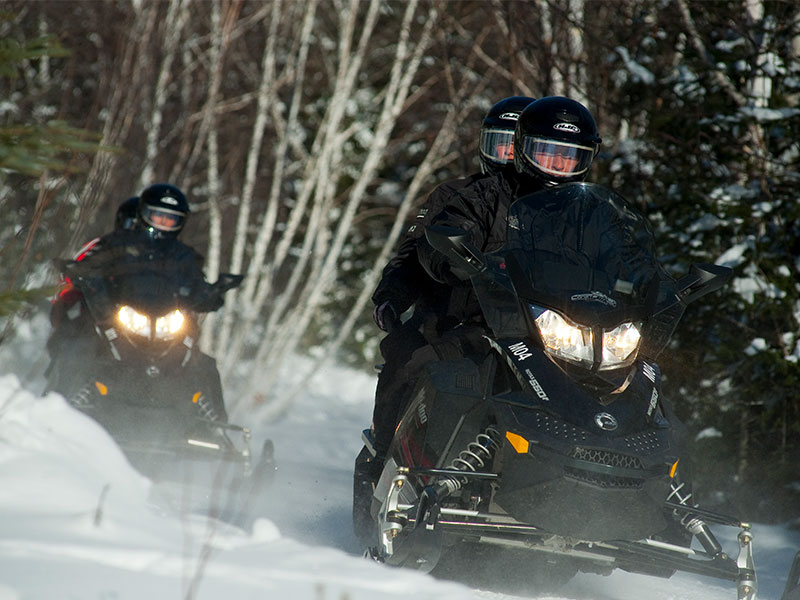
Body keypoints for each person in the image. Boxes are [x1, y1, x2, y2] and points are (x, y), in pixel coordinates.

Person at [370, 95, 602, 467]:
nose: (557, 165)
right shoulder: (468, 196)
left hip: (554, 330)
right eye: (546, 152)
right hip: (466, 320)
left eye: (567, 155)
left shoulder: (588, 215)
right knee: (410, 359)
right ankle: (387, 456)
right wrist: (395, 294)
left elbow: (617, 263)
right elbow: (420, 252)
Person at [46, 183, 230, 422]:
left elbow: (195, 283)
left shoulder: (183, 255)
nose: (163, 224)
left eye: (170, 219)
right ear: (144, 215)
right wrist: (81, 274)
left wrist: (212, 293)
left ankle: (216, 427)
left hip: (165, 322)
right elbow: (90, 263)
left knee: (202, 365)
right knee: (79, 351)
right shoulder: (118, 243)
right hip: (117, 316)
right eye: (159, 217)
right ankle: (54, 412)